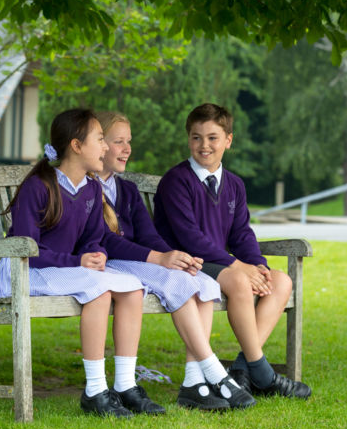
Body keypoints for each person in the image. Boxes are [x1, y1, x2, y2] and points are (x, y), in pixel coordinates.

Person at [0, 108, 165, 417]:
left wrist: (94, 253)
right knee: (99, 290)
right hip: (25, 271)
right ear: (76, 145)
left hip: (64, 270)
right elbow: (26, 249)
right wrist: (78, 260)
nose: (105, 147)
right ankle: (95, 391)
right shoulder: (39, 186)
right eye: (100, 139)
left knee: (132, 286)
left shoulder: (91, 189)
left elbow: (93, 236)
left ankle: (126, 385)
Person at [95, 111, 256, 411]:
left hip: (139, 262)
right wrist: (159, 258)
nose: (128, 148)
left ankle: (194, 383)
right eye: (119, 142)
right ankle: (214, 372)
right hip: (113, 265)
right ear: (98, 145)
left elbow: (148, 234)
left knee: (201, 280)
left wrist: (170, 255)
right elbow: (104, 239)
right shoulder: (88, 189)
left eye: (129, 141)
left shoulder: (126, 190)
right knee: (178, 280)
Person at [153, 103, 311, 399]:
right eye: (196, 137)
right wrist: (238, 266)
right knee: (239, 281)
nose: (204, 145)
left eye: (213, 137)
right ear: (188, 139)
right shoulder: (177, 181)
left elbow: (241, 233)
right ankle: (262, 373)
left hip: (219, 263)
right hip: (185, 262)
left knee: (281, 282)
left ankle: (241, 370)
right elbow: (189, 238)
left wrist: (257, 265)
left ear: (228, 140)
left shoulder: (235, 185)